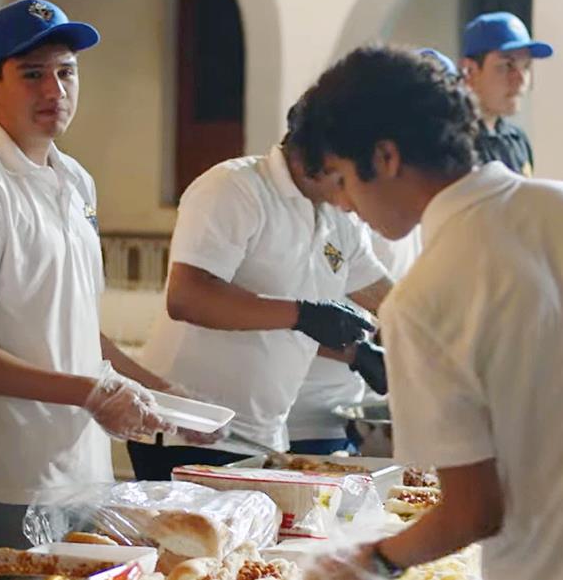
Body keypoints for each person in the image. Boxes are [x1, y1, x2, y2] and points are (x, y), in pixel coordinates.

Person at [300, 45, 563, 580]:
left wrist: (373, 558)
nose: (343, 204)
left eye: (342, 178)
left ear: (386, 158)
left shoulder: (423, 299)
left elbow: (473, 512)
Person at [0, 0, 182, 548]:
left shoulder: (75, 179)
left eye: (67, 72)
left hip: (84, 468)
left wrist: (159, 391)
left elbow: (68, 320)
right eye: (33, 74)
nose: (54, 91)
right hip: (8, 475)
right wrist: (92, 392)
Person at [127, 98, 393, 478]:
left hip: (262, 432)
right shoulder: (235, 188)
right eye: (357, 172)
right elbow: (188, 297)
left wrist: (435, 342)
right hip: (188, 429)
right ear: (321, 158)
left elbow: (387, 297)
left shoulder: (337, 215)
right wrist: (303, 314)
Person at [285, 48, 454, 454]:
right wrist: (359, 353)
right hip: (303, 405)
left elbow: (388, 297)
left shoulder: (427, 216)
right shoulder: (353, 208)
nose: (343, 202)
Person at [459, 11, 552, 176]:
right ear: (470, 71)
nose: (521, 79)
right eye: (507, 66)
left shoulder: (516, 140)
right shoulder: (454, 143)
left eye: (526, 66)